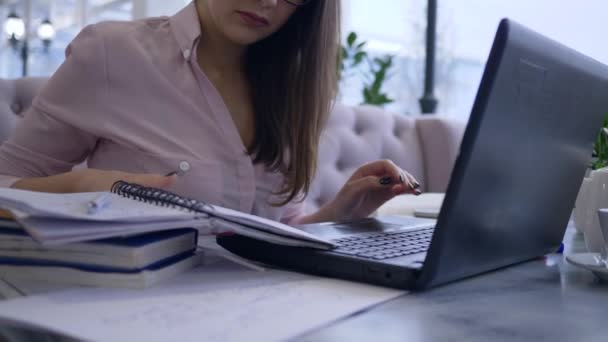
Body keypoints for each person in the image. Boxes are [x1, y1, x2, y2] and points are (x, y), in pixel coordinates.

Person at [0, 0, 421, 225]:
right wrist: (81, 188)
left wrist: (338, 213)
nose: (269, 1)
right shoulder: (112, 53)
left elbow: (275, 225)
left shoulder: (289, 88)